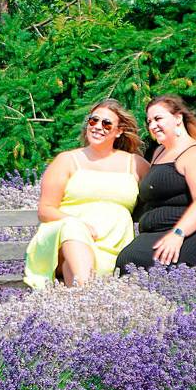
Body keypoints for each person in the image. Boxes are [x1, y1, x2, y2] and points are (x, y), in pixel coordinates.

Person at [24, 99, 150, 289]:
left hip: (113, 244)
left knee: (72, 268)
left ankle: (79, 304)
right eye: (93, 121)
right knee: (73, 230)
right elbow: (45, 210)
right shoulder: (66, 160)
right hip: (63, 240)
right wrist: (78, 223)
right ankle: (88, 294)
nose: (98, 127)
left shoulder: (135, 164)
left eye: (106, 124)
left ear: (119, 131)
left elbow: (161, 193)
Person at [115, 95, 196, 272]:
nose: (152, 125)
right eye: (149, 121)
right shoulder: (159, 152)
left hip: (195, 231)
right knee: (127, 260)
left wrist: (178, 234)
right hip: (159, 232)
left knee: (140, 263)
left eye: (158, 118)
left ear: (178, 118)